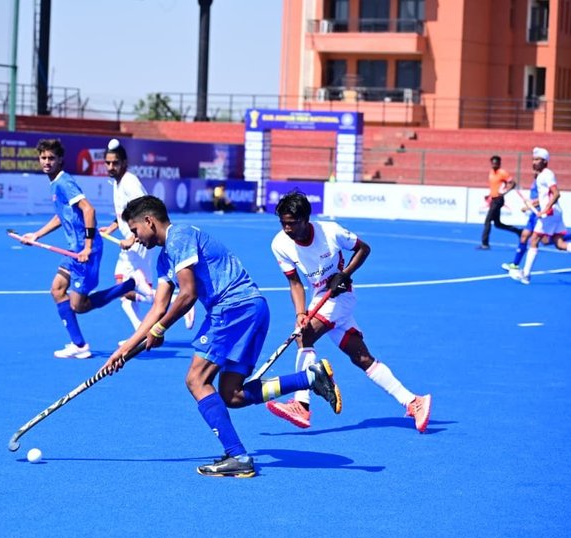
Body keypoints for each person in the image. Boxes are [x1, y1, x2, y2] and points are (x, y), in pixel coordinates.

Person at [102, 195, 342, 478]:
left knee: (196, 380)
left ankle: (238, 455)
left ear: (149, 221)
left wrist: (159, 329)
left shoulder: (179, 237)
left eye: (134, 230)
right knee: (232, 395)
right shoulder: (165, 258)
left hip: (232, 309)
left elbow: (188, 295)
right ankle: (311, 378)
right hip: (252, 309)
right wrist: (125, 350)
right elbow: (158, 307)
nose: (134, 238)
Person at [264, 190, 431, 433]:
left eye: (292, 223)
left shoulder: (330, 232)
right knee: (362, 358)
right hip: (318, 298)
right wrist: (300, 313)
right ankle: (414, 401)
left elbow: (364, 249)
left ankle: (301, 404)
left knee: (305, 337)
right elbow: (295, 283)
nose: (286, 228)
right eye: (283, 223)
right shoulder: (279, 244)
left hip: (340, 296)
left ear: (306, 219)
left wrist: (344, 275)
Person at [21, 138, 149, 358]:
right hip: (74, 249)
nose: (47, 162)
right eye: (43, 158)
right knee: (57, 290)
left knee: (79, 306)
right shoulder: (55, 183)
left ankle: (131, 283)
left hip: (84, 251)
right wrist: (36, 235)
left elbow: (89, 210)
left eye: (51, 158)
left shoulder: (63, 182)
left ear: (60, 159)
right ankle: (79, 345)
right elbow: (62, 216)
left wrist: (88, 246)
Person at [99, 138, 194, 335]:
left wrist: (132, 239)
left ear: (124, 163)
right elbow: (125, 215)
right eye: (107, 163)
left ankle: (181, 300)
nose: (110, 167)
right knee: (124, 292)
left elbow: (143, 214)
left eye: (115, 163)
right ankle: (138, 332)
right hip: (131, 243)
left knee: (126, 289)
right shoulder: (117, 183)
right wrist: (110, 228)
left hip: (138, 243)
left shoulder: (129, 183)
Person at [510, 147, 571, 285]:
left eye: (537, 159)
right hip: (554, 213)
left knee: (534, 240)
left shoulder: (547, 174)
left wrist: (545, 210)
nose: (534, 162)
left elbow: (556, 194)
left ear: (545, 161)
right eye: (533, 159)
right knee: (559, 243)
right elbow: (545, 196)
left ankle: (525, 275)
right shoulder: (541, 176)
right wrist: (531, 204)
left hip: (550, 214)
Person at [501, 163, 571, 272]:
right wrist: (529, 207)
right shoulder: (536, 182)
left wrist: (532, 205)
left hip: (541, 213)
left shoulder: (543, 182)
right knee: (524, 236)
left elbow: (544, 199)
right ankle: (515, 264)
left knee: (545, 241)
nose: (535, 172)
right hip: (534, 213)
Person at [479, 155, 521, 249]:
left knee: (487, 221)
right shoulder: (491, 172)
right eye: (493, 163)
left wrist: (505, 192)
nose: (494, 164)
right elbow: (494, 186)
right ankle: (518, 231)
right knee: (498, 224)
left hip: (498, 200)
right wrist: (489, 195)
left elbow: (513, 183)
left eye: (496, 163)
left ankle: (485, 244)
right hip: (493, 199)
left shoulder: (502, 173)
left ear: (499, 163)